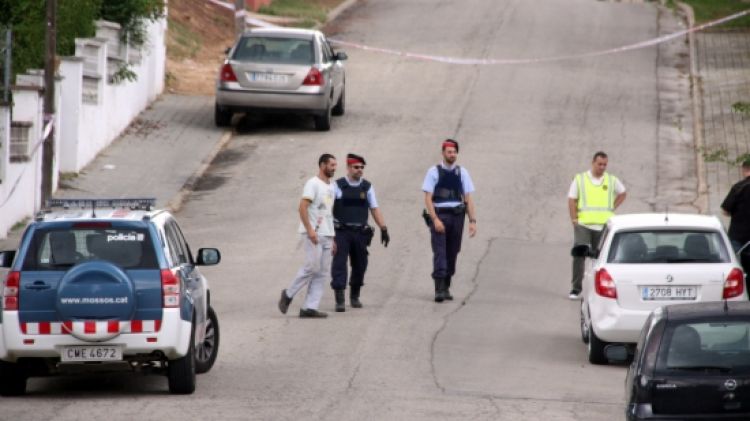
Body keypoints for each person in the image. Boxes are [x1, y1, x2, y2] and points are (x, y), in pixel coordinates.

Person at [278, 154, 337, 318]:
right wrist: (310, 230)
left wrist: (333, 237)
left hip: (327, 233)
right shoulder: (313, 184)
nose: (334, 168)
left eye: (335, 165)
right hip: (314, 233)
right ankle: (288, 294)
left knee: (322, 272)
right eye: (331, 165)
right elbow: (302, 208)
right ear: (322, 165)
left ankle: (309, 307)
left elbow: (328, 212)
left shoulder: (332, 186)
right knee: (312, 266)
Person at [330, 153, 390, 312]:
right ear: (348, 167)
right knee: (339, 264)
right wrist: (328, 234)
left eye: (362, 168)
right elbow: (327, 210)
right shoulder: (337, 186)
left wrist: (383, 228)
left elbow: (374, 208)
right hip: (341, 232)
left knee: (360, 264)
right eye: (356, 167)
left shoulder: (367, 187)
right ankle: (340, 299)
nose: (360, 170)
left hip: (360, 233)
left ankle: (355, 295)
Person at [422, 139, 477, 303]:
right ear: (443, 153)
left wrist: (472, 221)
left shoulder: (462, 173)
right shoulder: (434, 172)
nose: (452, 155)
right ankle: (438, 288)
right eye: (449, 152)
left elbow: (468, 198)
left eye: (454, 152)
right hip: (440, 214)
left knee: (453, 251)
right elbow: (428, 198)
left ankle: (446, 285)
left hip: (458, 216)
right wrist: (435, 219)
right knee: (440, 252)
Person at [567, 151, 626, 300]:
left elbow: (623, 193)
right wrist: (574, 219)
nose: (602, 167)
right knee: (579, 255)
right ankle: (576, 288)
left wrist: (612, 207)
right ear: (593, 163)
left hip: (603, 225)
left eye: (605, 164)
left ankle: (596, 289)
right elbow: (572, 199)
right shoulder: (580, 179)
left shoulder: (611, 180)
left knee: (599, 258)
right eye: (599, 164)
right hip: (584, 224)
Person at [721, 159, 750, 273]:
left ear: (744, 169)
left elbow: (725, 210)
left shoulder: (738, 187)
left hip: (738, 236)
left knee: (735, 269)